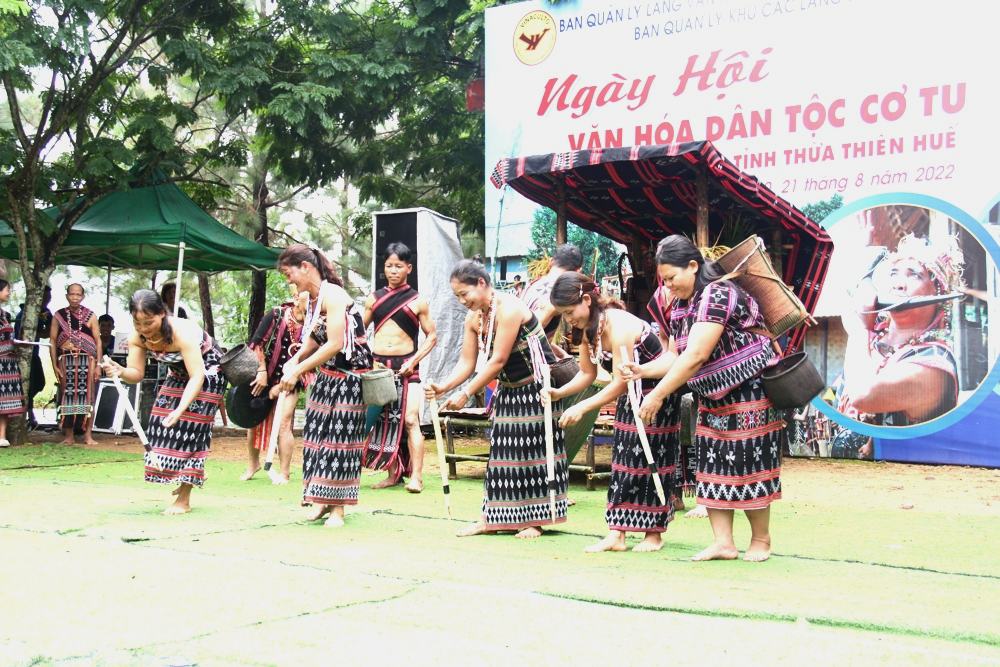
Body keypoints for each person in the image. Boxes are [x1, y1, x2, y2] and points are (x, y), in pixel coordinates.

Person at [624, 235, 783, 562]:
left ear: (693, 266)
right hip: (711, 396)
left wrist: (659, 395)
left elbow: (696, 354)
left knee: (748, 464)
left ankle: (761, 540)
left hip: (748, 388)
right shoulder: (682, 305)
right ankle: (723, 542)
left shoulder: (718, 293)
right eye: (664, 280)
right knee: (710, 465)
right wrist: (642, 371)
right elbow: (675, 355)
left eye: (672, 277)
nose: (668, 286)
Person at [425, 260, 569, 539]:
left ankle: (534, 521)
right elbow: (467, 363)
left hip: (537, 389)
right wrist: (442, 387)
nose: (462, 301)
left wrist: (465, 394)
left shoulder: (510, 309)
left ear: (481, 283)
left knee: (533, 455)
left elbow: (497, 360)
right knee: (501, 456)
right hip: (509, 390)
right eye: (457, 297)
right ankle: (491, 518)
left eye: (464, 294)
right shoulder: (474, 318)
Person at [549, 271, 680, 553]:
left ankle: (653, 533)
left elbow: (620, 382)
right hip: (629, 396)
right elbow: (587, 372)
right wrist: (560, 393)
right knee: (623, 462)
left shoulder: (618, 326)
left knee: (650, 461)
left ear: (586, 299)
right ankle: (616, 533)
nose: (568, 319)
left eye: (570, 312)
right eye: (564, 314)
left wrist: (584, 406)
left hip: (656, 396)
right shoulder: (587, 330)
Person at [100, 290, 226, 514]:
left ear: (162, 314)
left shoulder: (182, 332)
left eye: (149, 322)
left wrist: (180, 409)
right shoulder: (137, 338)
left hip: (208, 372)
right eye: (138, 323)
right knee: (159, 423)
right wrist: (119, 371)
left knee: (190, 427)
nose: (144, 329)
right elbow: (136, 373)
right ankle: (185, 473)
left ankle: (185, 497)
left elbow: (197, 375)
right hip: (177, 374)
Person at [276, 244, 372, 528]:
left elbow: (335, 344)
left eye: (288, 273)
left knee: (340, 442)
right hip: (326, 378)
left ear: (305, 267)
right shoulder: (316, 298)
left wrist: (298, 370)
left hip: (349, 379)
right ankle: (319, 500)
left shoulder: (334, 295)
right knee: (316, 438)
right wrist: (293, 360)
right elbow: (315, 338)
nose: (288, 280)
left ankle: (338, 508)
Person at [837, 234, 963, 429]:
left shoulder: (935, 364)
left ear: (938, 294)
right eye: (894, 273)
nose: (898, 284)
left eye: (914, 275)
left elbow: (862, 396)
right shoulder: (876, 333)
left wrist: (860, 329)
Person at [362, 242, 437, 492]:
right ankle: (393, 474)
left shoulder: (418, 301)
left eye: (398, 266)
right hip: (378, 366)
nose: (393, 271)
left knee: (410, 420)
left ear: (409, 268)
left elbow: (432, 336)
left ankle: (416, 477)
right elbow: (359, 333)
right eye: (389, 266)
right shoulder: (374, 298)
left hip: (408, 368)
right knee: (383, 420)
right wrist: (367, 361)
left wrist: (413, 362)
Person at [647, 280, 706, 518]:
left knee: (701, 435)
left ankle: (706, 498)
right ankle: (675, 495)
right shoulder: (660, 298)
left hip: (703, 374)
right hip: (674, 376)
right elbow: (666, 343)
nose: (671, 286)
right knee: (675, 438)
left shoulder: (704, 295)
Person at [241, 291, 310, 483]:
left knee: (285, 421)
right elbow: (256, 344)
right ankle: (253, 464)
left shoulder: (314, 323)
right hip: (264, 374)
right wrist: (262, 372)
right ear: (296, 299)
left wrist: (280, 387)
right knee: (253, 419)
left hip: (293, 378)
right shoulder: (277, 314)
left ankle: (285, 472)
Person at [50, 283, 102, 445]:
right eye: (72, 294)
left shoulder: (90, 315)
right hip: (66, 359)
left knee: (89, 397)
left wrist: (99, 364)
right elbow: (52, 341)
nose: (75, 297)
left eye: (78, 294)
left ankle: (88, 435)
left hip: (88, 360)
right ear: (67, 296)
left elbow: (98, 341)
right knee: (69, 396)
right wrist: (54, 366)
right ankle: (69, 436)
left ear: (83, 296)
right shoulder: (58, 315)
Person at [520, 243, 584, 349]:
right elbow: (529, 333)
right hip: (529, 356)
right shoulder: (560, 293)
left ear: (551, 261)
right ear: (578, 271)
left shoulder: (533, 284)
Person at [14, 286, 52, 429]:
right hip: (23, 355)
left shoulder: (46, 312)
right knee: (27, 385)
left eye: (49, 298)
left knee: (38, 383)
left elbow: (48, 331)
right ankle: (27, 414)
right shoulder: (24, 314)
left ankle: (28, 412)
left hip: (34, 354)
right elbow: (33, 334)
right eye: (45, 297)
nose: (47, 300)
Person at [0, 280, 25, 447]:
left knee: (5, 401)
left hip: (8, 363)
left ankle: (2, 436)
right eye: (7, 290)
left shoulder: (5, 315)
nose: (9, 293)